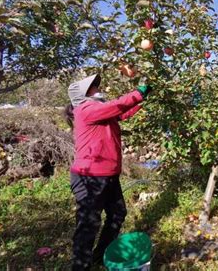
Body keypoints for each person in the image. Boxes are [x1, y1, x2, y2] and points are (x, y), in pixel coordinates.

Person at [64, 74, 152, 270]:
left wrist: (142, 101)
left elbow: (122, 113)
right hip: (90, 178)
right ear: (84, 95)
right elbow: (115, 106)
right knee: (88, 225)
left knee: (118, 212)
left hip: (107, 175)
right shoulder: (86, 109)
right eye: (93, 87)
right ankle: (80, 267)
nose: (97, 88)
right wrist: (138, 93)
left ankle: (99, 256)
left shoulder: (100, 111)